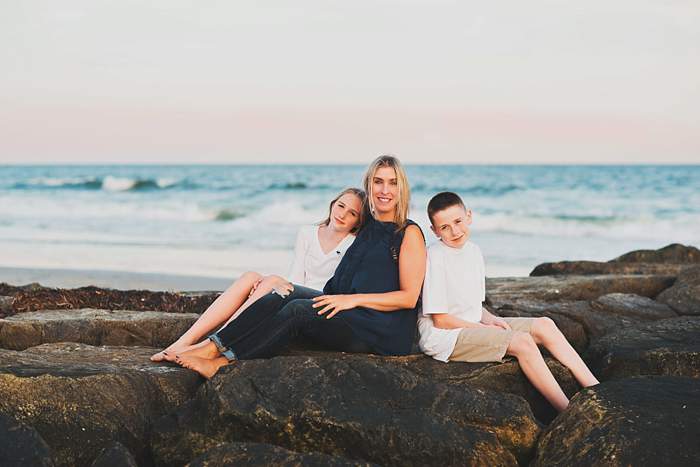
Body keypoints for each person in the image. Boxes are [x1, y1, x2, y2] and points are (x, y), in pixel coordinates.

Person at [174, 155, 427, 379]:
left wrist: (352, 300)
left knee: (297, 310)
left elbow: (408, 297)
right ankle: (209, 347)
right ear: (369, 185)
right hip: (345, 309)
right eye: (378, 181)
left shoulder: (408, 232)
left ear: (401, 187)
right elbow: (340, 218)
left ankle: (222, 364)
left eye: (392, 182)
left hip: (379, 330)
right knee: (283, 293)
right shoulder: (367, 227)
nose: (385, 190)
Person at [417, 191, 599, 412]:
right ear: (434, 231)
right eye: (445, 227)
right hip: (445, 337)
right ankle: (568, 411)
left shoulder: (474, 252)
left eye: (458, 221)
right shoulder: (434, 256)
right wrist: (485, 328)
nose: (455, 231)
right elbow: (441, 319)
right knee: (522, 342)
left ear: (469, 216)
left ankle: (597, 392)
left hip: (471, 324)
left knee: (544, 325)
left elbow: (474, 306)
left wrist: (491, 320)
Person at [150, 187, 366, 362]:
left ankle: (213, 345)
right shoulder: (307, 233)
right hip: (295, 292)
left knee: (271, 280)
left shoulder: (353, 244)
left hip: (314, 305)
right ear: (332, 204)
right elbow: (295, 277)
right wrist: (272, 285)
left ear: (358, 221)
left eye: (352, 213)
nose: (343, 214)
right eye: (341, 205)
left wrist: (274, 283)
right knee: (250, 277)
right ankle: (184, 342)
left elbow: (333, 289)